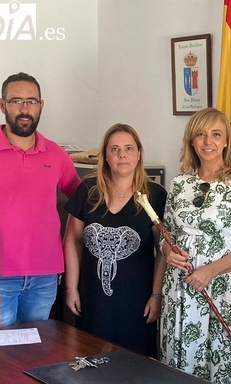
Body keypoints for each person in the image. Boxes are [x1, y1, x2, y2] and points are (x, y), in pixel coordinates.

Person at [0, 72, 81, 331]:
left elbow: (83, 201)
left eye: (32, 101)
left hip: (45, 277)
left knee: (36, 359)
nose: (25, 109)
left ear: (41, 105)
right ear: (2, 105)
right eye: (16, 101)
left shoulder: (56, 154)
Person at [160, 107, 231, 384]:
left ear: (227, 141)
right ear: (191, 141)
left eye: (216, 134)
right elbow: (166, 233)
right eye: (201, 135)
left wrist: (210, 270)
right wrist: (168, 252)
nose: (208, 141)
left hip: (224, 289)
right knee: (181, 364)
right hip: (180, 289)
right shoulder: (180, 184)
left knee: (223, 365)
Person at [63, 124, 167, 357]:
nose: (122, 154)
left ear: (139, 153)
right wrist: (71, 288)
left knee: (136, 367)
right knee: (91, 359)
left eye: (129, 148)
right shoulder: (88, 191)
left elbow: (162, 250)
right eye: (115, 149)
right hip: (93, 298)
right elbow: (72, 240)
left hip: (137, 300)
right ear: (105, 156)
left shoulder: (155, 195)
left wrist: (156, 294)